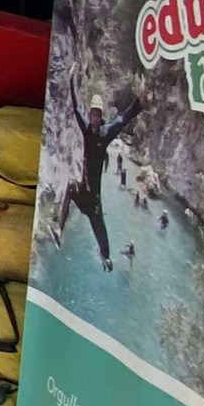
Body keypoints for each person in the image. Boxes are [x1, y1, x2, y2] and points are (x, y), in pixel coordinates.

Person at [54, 79, 141, 271]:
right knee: (70, 186)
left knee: (99, 231)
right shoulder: (86, 131)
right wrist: (70, 81)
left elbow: (123, 119)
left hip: (94, 198)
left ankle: (106, 258)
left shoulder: (105, 133)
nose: (94, 119)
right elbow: (76, 109)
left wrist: (139, 102)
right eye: (93, 114)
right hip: (83, 190)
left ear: (101, 117)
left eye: (97, 115)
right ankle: (60, 229)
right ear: (90, 115)